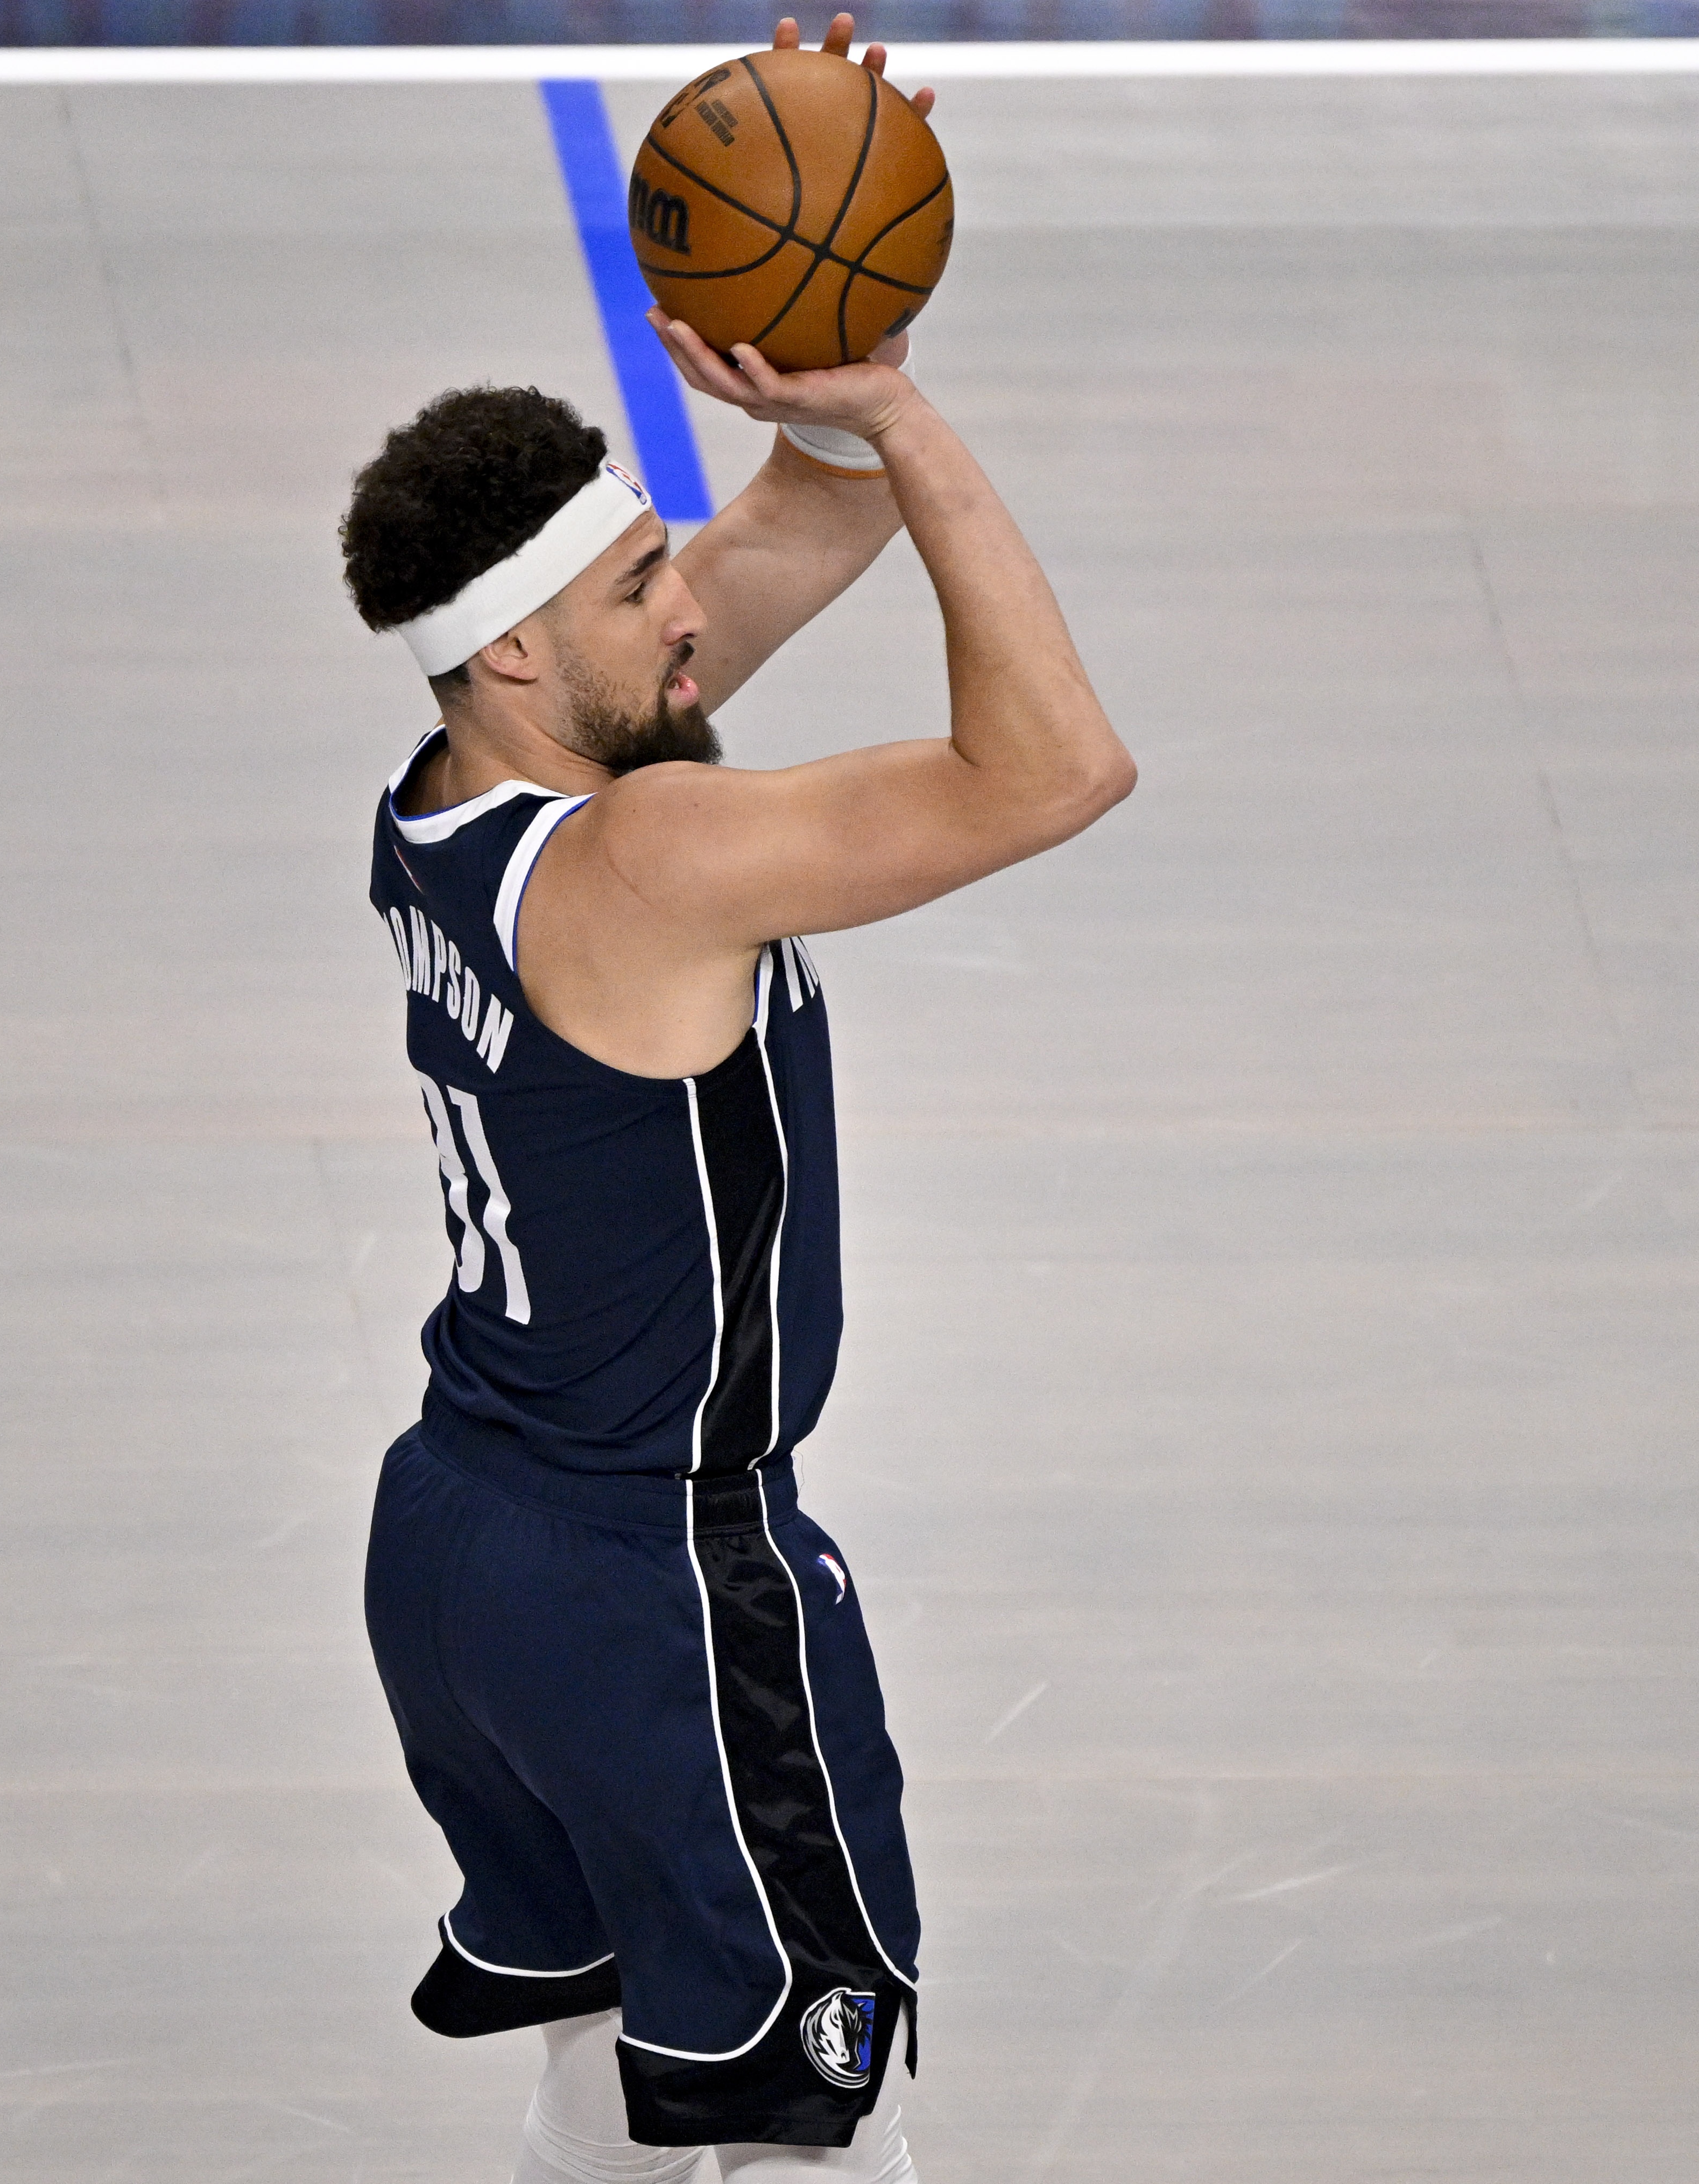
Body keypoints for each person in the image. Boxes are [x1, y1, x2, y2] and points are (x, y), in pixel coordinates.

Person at [335, 24, 1130, 2177]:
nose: (687, 599)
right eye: (636, 587)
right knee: (816, 2129)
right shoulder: (653, 855)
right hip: (652, 1579)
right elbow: (1053, 769)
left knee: (599, 2087)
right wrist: (914, 416)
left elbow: (791, 523)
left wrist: (833, 356)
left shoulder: (451, 791)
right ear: (519, 647)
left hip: (462, 1551)